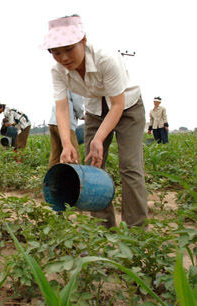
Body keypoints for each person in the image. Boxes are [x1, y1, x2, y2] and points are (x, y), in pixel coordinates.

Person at [44, 15, 148, 228]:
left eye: (69, 49)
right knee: (93, 166)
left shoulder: (105, 58)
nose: (63, 58)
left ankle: (137, 233)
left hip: (127, 107)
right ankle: (101, 233)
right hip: (95, 111)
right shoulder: (57, 71)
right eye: (56, 52)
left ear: (83, 41)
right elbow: (62, 107)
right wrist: (67, 144)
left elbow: (117, 105)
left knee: (130, 167)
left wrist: (98, 138)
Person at [48, 90, 85, 167]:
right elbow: (77, 103)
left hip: (53, 121)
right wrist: (81, 115)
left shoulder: (63, 84)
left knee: (55, 155)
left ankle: (52, 176)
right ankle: (75, 177)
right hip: (66, 122)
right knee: (73, 155)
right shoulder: (75, 83)